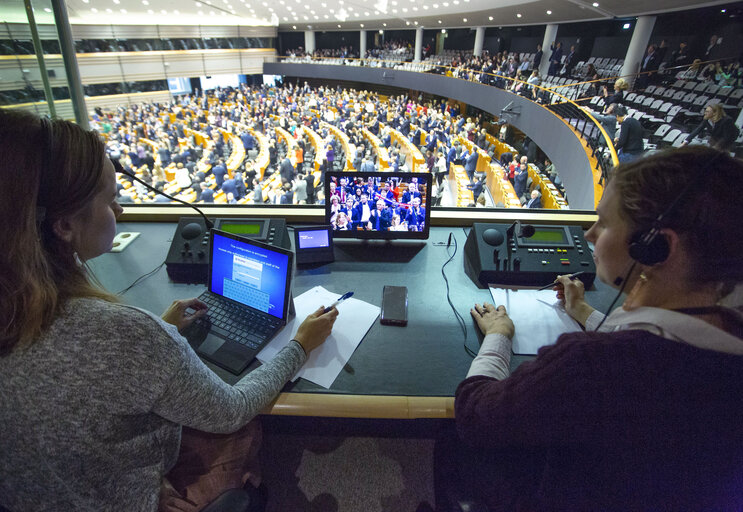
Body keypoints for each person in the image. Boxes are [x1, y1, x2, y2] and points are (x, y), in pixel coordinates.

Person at [0, 110, 339, 511]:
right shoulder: (123, 334)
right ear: (63, 226)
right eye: (112, 201)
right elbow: (231, 409)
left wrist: (159, 332)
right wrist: (300, 345)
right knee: (246, 429)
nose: (122, 212)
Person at [439, 146, 743, 511]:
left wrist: (499, 335)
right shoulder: (730, 328)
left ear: (656, 245)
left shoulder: (592, 363)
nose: (589, 234)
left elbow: (475, 415)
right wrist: (584, 311)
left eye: (604, 221)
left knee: (449, 441)